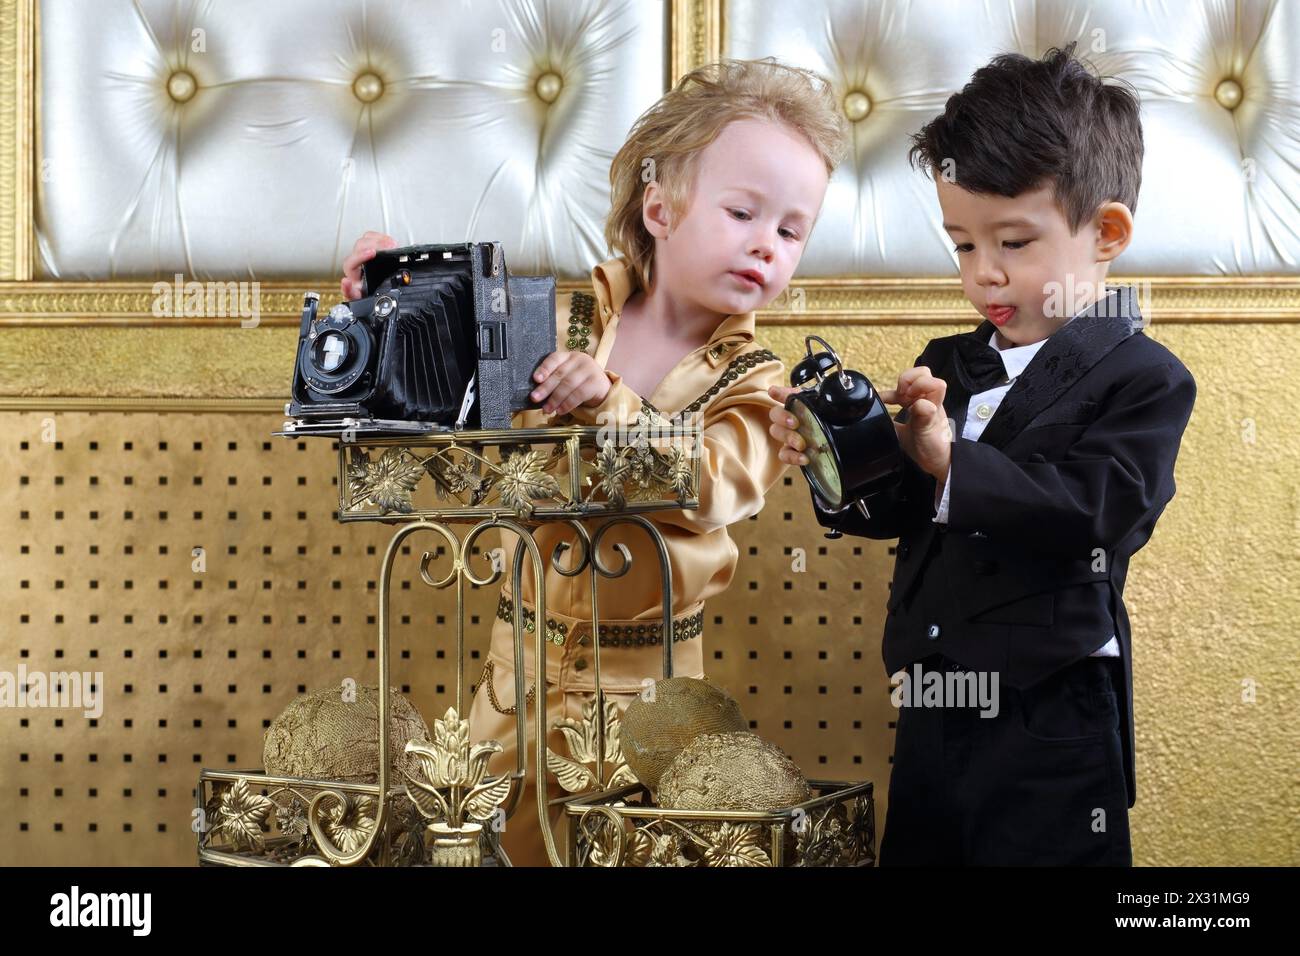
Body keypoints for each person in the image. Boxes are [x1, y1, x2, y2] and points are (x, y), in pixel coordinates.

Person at [341, 58, 850, 865]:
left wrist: (606, 402)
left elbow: (713, 486)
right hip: (513, 677)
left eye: (791, 232)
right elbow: (460, 411)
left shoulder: (755, 381)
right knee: (474, 845)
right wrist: (391, 306)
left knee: (627, 848)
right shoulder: (567, 318)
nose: (766, 246)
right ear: (660, 208)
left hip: (649, 697)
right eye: (743, 212)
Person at [769, 43, 1196, 865]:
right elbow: (901, 508)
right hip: (932, 696)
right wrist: (842, 458)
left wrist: (950, 463)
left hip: (1052, 708)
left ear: (1105, 232)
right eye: (963, 246)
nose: (984, 274)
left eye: (1014, 243)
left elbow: (1096, 514)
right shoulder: (952, 359)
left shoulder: (1145, 378)